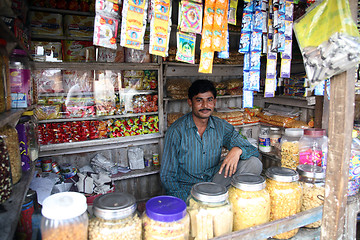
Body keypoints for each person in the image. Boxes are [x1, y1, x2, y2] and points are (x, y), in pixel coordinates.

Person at [160, 80, 262, 201]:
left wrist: (238, 149)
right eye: (199, 100)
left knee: (254, 163)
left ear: (214, 102)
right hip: (188, 188)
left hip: (214, 180)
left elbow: (253, 151)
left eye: (209, 100)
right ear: (190, 102)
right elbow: (167, 175)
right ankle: (213, 202)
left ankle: (229, 202)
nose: (205, 105)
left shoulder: (221, 126)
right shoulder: (176, 131)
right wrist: (185, 201)